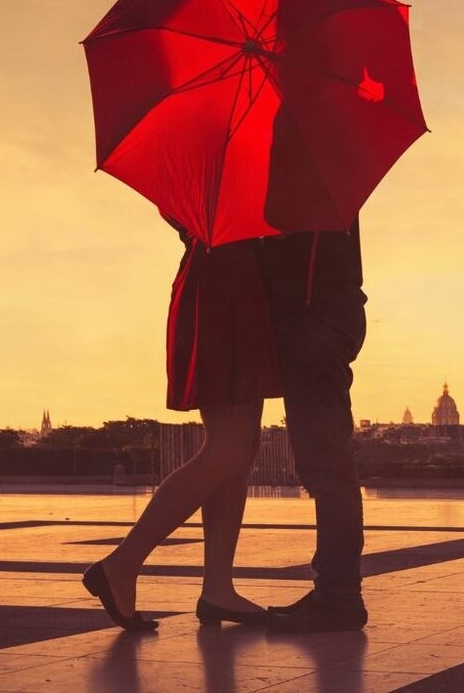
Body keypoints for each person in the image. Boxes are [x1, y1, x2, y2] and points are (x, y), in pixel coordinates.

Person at [81, 222, 278, 632]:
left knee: (239, 450)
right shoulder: (222, 178)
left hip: (232, 286)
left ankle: (217, 586)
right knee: (230, 447)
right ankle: (123, 563)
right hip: (226, 288)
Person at [258, 221, 371, 633]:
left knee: (327, 469)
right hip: (325, 321)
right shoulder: (321, 180)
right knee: (327, 467)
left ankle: (339, 595)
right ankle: (335, 590)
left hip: (314, 324)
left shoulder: (301, 188)